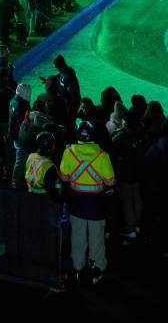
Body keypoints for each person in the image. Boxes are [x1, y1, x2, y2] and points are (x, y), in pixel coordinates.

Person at [60, 119, 116, 284]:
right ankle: (96, 270)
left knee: (77, 238)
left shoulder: (68, 153)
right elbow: (110, 182)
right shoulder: (102, 156)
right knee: (97, 239)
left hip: (76, 204)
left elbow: (64, 177)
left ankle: (77, 269)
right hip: (96, 206)